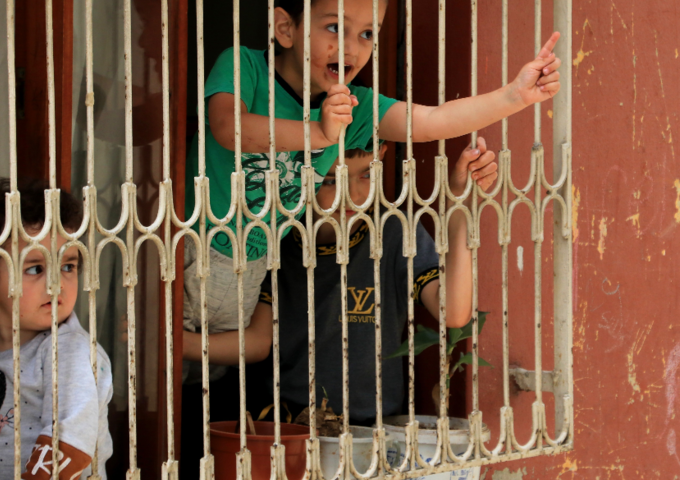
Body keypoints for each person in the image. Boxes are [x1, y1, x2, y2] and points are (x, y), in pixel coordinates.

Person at [181, 0, 561, 385]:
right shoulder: (243, 66)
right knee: (146, 362)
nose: (350, 48)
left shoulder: (355, 108)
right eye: (334, 27)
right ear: (285, 28)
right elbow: (228, 127)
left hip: (249, 265)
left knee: (199, 382)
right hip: (186, 243)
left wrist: (515, 96)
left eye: (366, 34)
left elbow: (433, 120)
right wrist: (319, 134)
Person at [247, 140, 496, 424]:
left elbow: (453, 313)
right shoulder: (277, 241)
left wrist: (459, 210)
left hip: (375, 431)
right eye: (330, 180)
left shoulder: (393, 232)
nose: (352, 194)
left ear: (382, 159)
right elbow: (258, 341)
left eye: (366, 174)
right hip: (288, 425)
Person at [0, 178, 113, 480]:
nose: (56, 283)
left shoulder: (70, 350)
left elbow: (71, 438)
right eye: (35, 269)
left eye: (68, 266)